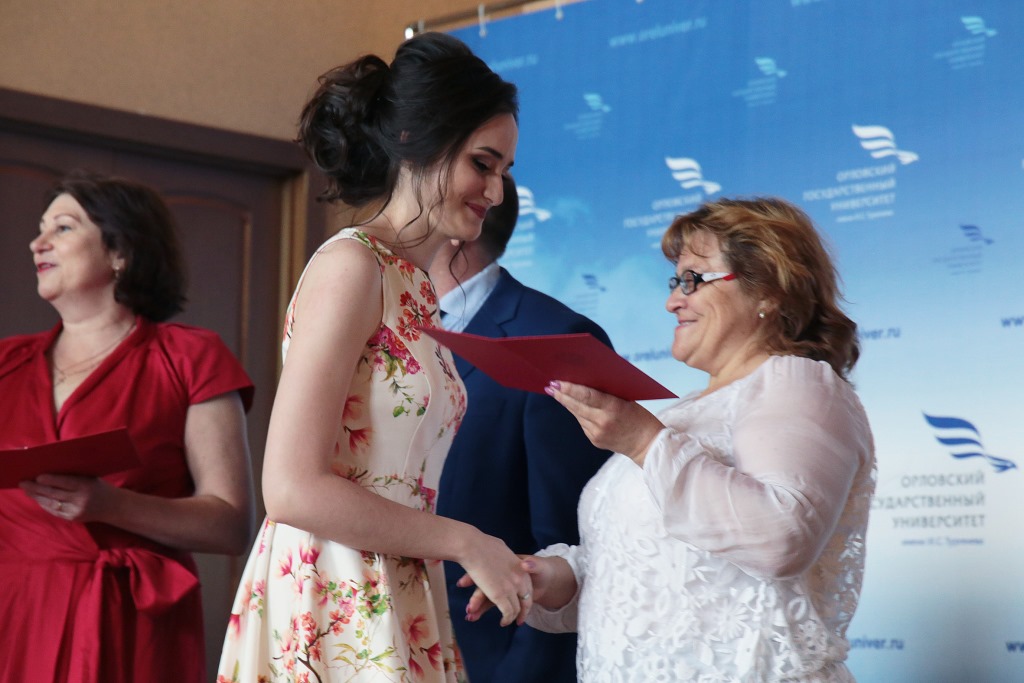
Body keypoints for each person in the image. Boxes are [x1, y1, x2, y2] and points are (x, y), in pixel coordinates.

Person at [217, 32, 530, 683]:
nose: (497, 191)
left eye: (503, 170)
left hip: (397, 584)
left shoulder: (414, 283)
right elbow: (291, 486)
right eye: (482, 163)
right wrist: (464, 540)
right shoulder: (352, 264)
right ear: (415, 141)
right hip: (329, 588)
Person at [468, 197, 877, 681]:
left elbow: (781, 538)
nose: (672, 301)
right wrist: (545, 578)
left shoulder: (795, 383)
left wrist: (643, 441)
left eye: (693, 280)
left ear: (768, 291)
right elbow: (645, 575)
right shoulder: (686, 412)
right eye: (674, 282)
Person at [0, 171, 256, 683]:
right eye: (40, 229)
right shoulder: (5, 362)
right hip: (15, 611)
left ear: (121, 251)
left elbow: (231, 525)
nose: (37, 242)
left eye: (63, 227)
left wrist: (109, 505)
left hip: (130, 622)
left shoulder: (190, 356)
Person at [429, 176, 612, 682]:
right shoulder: (386, 328)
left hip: (489, 662)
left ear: (462, 220)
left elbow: (572, 545)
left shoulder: (556, 338)